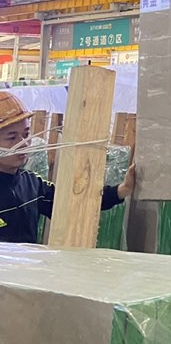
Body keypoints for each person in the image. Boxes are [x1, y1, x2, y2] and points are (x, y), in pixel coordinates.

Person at [0, 90, 136, 244]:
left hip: (24, 260)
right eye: (12, 137)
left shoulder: (32, 184)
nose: (24, 143)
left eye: (26, 134)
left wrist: (122, 190)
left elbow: (75, 203)